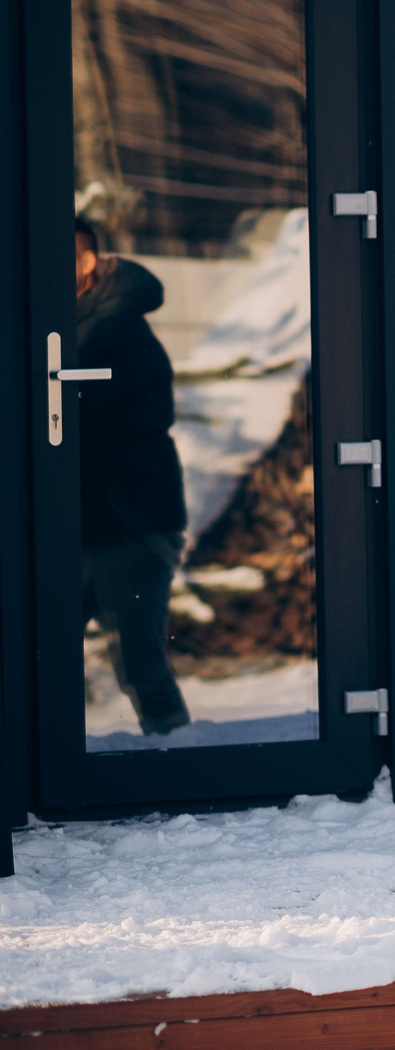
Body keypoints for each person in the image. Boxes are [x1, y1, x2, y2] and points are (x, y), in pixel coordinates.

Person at [74, 218, 193, 737]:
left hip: (131, 522)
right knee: (39, 657)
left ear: (89, 263)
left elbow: (109, 417)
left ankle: (176, 760)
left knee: (139, 661)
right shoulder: (70, 321)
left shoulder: (117, 327)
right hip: (82, 521)